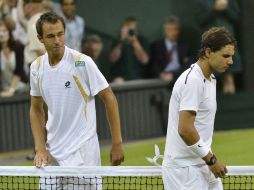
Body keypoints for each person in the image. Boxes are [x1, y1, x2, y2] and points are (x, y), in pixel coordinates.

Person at [29, 11, 124, 187]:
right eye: (50, 36)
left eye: (60, 34)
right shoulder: (36, 67)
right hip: (52, 153)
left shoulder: (82, 62)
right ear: (40, 38)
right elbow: (36, 109)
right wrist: (40, 148)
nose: (57, 40)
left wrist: (117, 142)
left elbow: (109, 97)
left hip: (83, 152)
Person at [162, 27, 236, 189]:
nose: (230, 61)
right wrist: (212, 159)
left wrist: (208, 160)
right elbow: (185, 129)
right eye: (225, 56)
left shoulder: (210, 79)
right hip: (184, 171)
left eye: (231, 56)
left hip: (202, 163)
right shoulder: (193, 80)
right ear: (208, 52)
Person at [195, 0, 241, 94]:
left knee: (229, 76)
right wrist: (214, 10)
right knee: (212, 78)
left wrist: (226, 9)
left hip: (228, 41)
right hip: (212, 43)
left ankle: (230, 95)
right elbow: (200, 21)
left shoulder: (230, 2)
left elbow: (237, 18)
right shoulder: (201, 2)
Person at [150, 16, 191, 82]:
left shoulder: (184, 47)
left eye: (175, 29)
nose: (172, 33)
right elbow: (154, 65)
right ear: (165, 31)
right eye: (169, 30)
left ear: (178, 31)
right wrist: (161, 74)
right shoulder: (157, 46)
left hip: (179, 78)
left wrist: (174, 75)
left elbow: (188, 65)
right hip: (161, 79)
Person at [109, 17, 149, 83]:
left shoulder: (142, 40)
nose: (129, 31)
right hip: (119, 77)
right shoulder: (118, 39)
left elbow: (144, 60)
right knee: (118, 81)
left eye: (132, 28)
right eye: (127, 28)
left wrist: (135, 42)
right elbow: (112, 59)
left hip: (138, 76)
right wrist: (121, 41)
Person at [0, 21, 28, 97]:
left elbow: (19, 71)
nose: (1, 34)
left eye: (4, 31)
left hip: (20, 87)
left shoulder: (18, 47)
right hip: (5, 88)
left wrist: (11, 90)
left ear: (9, 32)